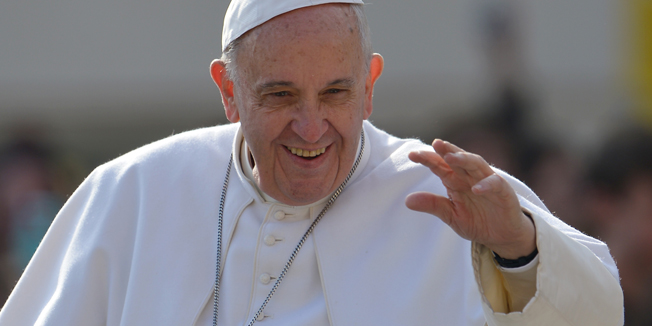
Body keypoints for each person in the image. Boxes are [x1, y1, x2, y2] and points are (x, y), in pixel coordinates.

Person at [0, 1, 623, 325]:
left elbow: (597, 316)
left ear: (371, 85)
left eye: (335, 93)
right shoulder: (130, 193)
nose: (310, 127)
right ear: (227, 89)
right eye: (278, 95)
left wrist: (519, 251)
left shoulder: (454, 198)